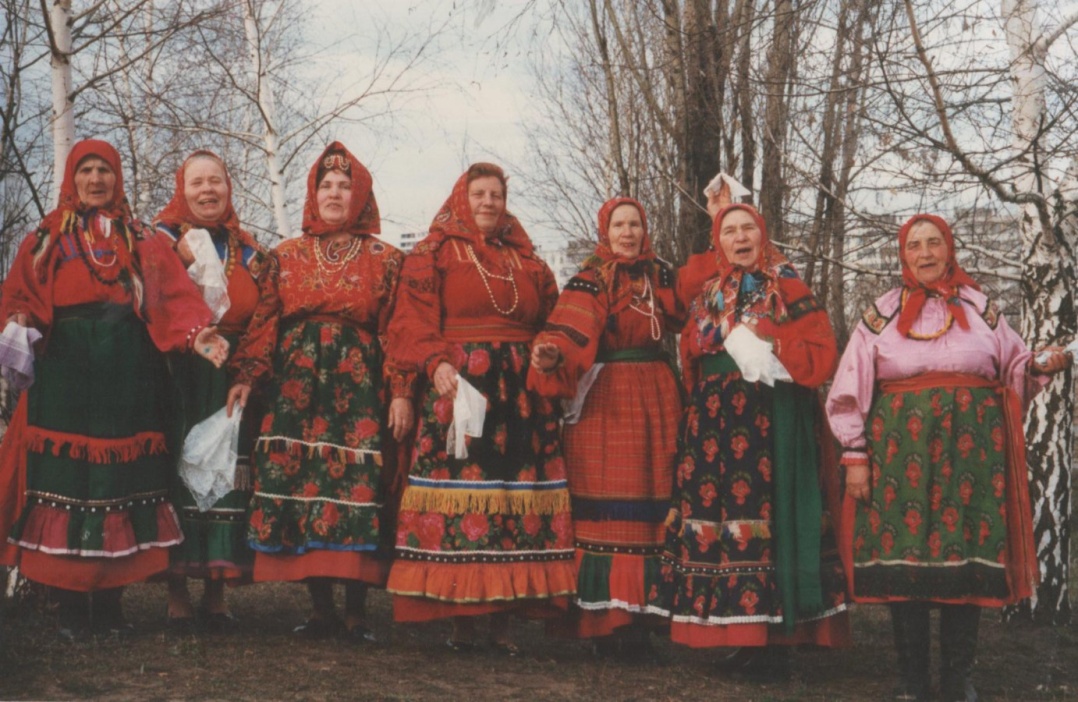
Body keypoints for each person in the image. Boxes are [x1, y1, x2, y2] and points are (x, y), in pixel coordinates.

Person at [825, 214, 1068, 702]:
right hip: (898, 452)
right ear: (903, 254)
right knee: (904, 557)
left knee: (968, 557)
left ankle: (959, 678)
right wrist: (855, 454)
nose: (926, 252)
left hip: (972, 454)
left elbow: (1015, 365)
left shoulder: (981, 306)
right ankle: (912, 680)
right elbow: (850, 383)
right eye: (915, 245)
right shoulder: (881, 313)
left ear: (950, 248)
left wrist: (1040, 363)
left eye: (935, 242)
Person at [0, 139, 228, 639]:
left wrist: (197, 334)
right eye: (87, 170)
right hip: (64, 376)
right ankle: (69, 608)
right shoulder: (45, 238)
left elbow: (170, 293)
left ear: (117, 178)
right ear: (72, 178)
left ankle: (109, 606)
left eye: (105, 170)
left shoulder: (141, 238)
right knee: (69, 485)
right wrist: (18, 319)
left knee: (119, 487)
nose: (97, 180)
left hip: (128, 375)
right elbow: (21, 292)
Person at [651, 203, 851, 677]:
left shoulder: (790, 289)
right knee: (726, 523)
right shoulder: (708, 294)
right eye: (729, 231)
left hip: (771, 417)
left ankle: (776, 637)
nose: (739, 238)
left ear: (763, 236)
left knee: (770, 519)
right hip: (715, 422)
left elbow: (822, 351)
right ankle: (742, 632)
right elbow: (691, 354)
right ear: (718, 241)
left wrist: (773, 349)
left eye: (748, 229)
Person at [226, 142, 413, 642]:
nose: (334, 193)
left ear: (361, 195)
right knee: (303, 486)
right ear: (313, 194)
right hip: (295, 387)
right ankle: (321, 610)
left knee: (357, 485)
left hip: (360, 386)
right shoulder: (284, 256)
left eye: (344, 186)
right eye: (325, 185)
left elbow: (399, 329)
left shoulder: (387, 259)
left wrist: (400, 391)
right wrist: (247, 375)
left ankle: (356, 614)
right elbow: (265, 321)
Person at [385, 163, 575, 653]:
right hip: (462, 390)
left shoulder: (528, 262)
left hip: (520, 396)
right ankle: (461, 619)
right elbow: (410, 320)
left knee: (512, 499)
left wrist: (548, 350)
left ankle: (503, 621)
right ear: (461, 198)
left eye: (496, 195)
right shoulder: (434, 253)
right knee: (465, 499)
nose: (488, 203)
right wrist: (434, 363)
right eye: (479, 194)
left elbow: (554, 318)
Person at [528, 197, 681, 657]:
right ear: (605, 231)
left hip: (658, 396)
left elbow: (693, 310)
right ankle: (608, 623)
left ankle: (645, 620)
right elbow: (565, 329)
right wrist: (550, 355)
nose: (628, 233)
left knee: (659, 501)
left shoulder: (661, 276)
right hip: (608, 401)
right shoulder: (592, 278)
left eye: (636, 224)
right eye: (620, 225)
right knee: (610, 510)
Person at [154, 150, 265, 631]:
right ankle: (177, 588)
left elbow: (266, 314)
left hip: (232, 375)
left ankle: (217, 589)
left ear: (228, 187)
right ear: (183, 188)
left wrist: (249, 371)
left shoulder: (249, 250)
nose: (207, 191)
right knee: (182, 467)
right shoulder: (161, 240)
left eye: (215, 181)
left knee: (227, 471)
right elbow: (148, 298)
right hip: (181, 372)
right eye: (197, 182)